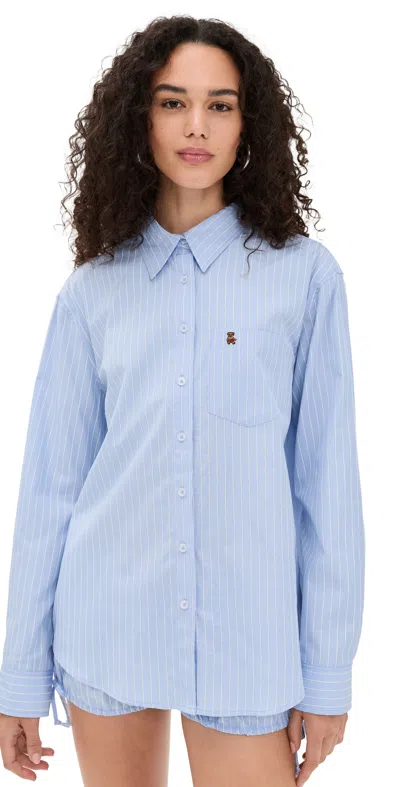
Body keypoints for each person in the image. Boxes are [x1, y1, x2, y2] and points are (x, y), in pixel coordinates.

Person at [0, 15, 365, 787]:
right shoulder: (92, 290)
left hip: (248, 642)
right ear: (141, 118)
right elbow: (50, 491)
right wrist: (20, 676)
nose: (196, 125)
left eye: (220, 105)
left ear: (247, 124)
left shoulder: (305, 278)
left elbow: (327, 490)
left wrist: (328, 674)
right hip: (107, 630)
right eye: (173, 102)